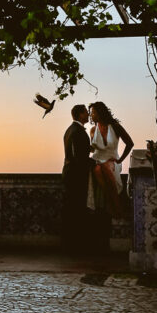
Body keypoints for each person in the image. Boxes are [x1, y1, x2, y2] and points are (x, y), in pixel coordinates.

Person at [88, 101, 134, 244]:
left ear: (100, 112)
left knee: (105, 167)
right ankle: (114, 204)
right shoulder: (92, 130)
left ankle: (116, 206)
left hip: (112, 161)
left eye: (93, 112)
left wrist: (120, 160)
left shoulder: (115, 126)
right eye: (90, 112)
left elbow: (130, 143)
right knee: (98, 168)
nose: (91, 115)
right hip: (97, 160)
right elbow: (92, 149)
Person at [62, 104, 94, 252]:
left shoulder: (70, 130)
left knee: (72, 208)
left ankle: (71, 244)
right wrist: (93, 162)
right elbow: (78, 156)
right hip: (76, 175)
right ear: (80, 114)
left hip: (70, 173)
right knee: (76, 209)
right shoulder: (77, 131)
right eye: (86, 113)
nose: (88, 115)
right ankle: (75, 245)